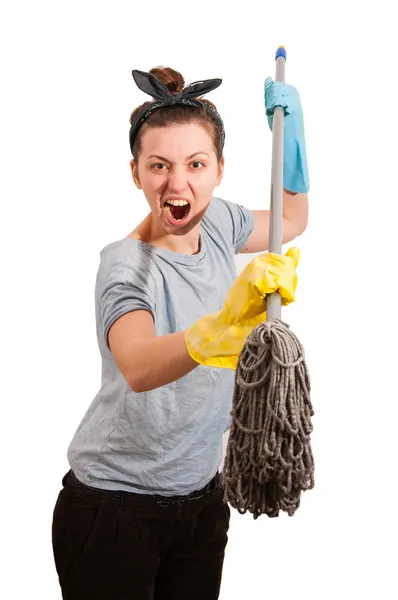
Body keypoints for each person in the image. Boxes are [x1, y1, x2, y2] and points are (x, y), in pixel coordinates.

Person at [52, 65, 309, 600]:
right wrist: (218, 327)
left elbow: (290, 218)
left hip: (200, 499)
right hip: (113, 509)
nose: (177, 183)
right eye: (159, 165)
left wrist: (294, 141)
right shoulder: (125, 267)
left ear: (218, 169)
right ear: (136, 172)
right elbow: (140, 364)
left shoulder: (217, 222)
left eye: (196, 164)